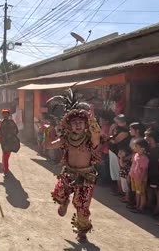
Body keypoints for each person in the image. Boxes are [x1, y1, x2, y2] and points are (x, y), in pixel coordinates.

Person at [45, 90, 101, 242]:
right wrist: (48, 131)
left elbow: (97, 135)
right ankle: (64, 201)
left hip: (86, 176)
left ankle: (82, 230)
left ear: (85, 125)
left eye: (81, 122)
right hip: (68, 173)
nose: (78, 125)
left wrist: (92, 119)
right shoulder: (65, 138)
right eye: (74, 122)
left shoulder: (90, 139)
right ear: (69, 125)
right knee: (58, 194)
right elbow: (49, 145)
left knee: (82, 206)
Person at [0, 109, 20, 174]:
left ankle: (5, 168)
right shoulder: (8, 122)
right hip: (6, 141)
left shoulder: (5, 122)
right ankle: (4, 166)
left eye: (6, 114)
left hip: (7, 141)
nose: (5, 115)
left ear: (8, 115)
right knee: (5, 155)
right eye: (4, 114)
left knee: (6, 155)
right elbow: (16, 131)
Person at [144, 130, 159, 216]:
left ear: (151, 138)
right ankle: (149, 204)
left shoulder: (157, 149)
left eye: (146, 136)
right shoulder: (148, 148)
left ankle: (158, 208)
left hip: (156, 173)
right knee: (149, 189)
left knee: (157, 191)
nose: (145, 138)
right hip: (148, 172)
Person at [129, 138, 150, 213]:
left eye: (136, 146)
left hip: (141, 179)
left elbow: (144, 170)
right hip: (134, 177)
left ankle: (141, 207)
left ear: (143, 148)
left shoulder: (144, 158)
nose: (135, 148)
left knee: (142, 193)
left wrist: (141, 179)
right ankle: (137, 205)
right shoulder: (135, 155)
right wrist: (131, 174)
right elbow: (133, 165)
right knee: (137, 192)